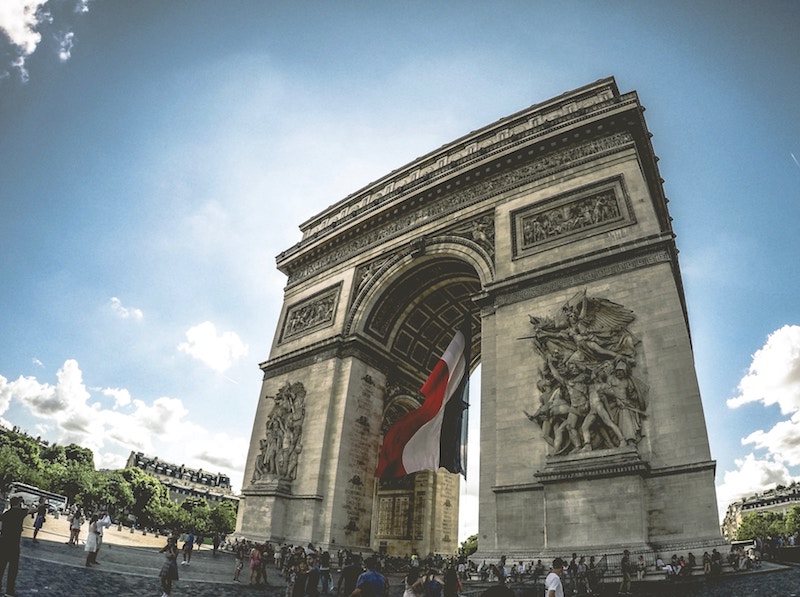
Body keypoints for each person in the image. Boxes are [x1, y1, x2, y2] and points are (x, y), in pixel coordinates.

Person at [0, 495, 37, 597]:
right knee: (13, 569)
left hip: (3, 542)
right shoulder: (20, 512)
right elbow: (33, 510)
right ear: (18, 503)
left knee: (1, 566)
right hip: (14, 544)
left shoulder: (6, 513)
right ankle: (9, 591)